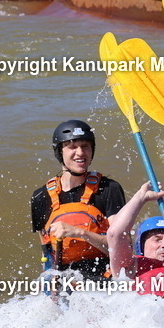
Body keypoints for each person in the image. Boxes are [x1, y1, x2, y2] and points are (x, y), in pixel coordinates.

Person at [30, 120, 125, 281]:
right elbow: (46, 253)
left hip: (104, 281)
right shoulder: (40, 197)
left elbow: (121, 247)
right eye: (72, 147)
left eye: (85, 146)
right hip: (64, 282)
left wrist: (80, 232)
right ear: (60, 152)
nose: (80, 152)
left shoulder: (109, 189)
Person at [106, 182, 164, 320]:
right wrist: (141, 198)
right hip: (149, 327)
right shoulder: (131, 267)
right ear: (141, 245)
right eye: (157, 239)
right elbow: (115, 233)